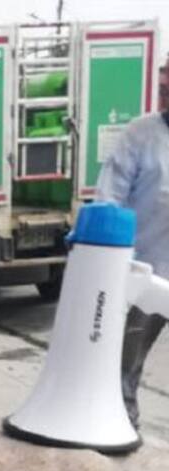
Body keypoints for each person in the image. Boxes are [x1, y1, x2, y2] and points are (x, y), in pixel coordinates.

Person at [98, 56, 169, 429]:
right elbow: (109, 196)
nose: (163, 99)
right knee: (127, 359)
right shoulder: (141, 134)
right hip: (147, 271)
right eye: (162, 91)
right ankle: (121, 424)